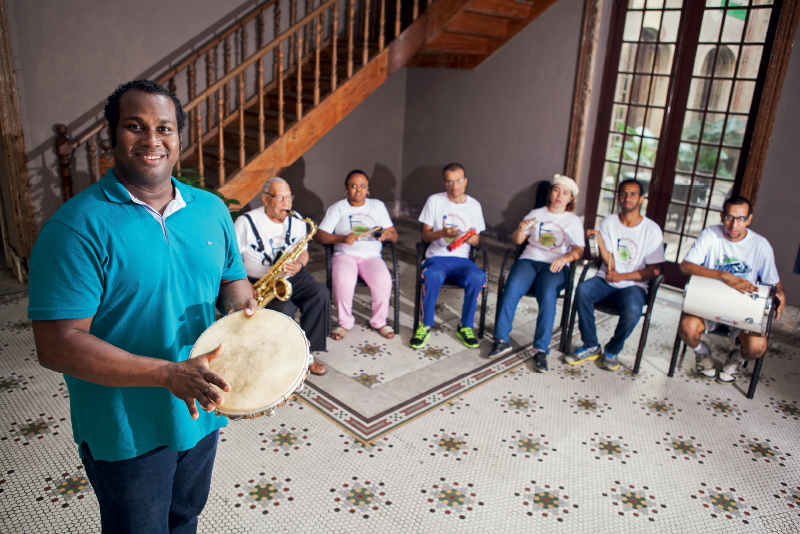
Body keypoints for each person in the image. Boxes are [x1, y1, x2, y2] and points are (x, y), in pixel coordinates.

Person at [28, 80, 257, 533]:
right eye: (135, 126)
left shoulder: (210, 210)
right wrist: (168, 374)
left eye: (164, 127)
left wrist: (250, 313)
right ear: (111, 135)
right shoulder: (76, 227)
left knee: (185, 517)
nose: (152, 140)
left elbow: (233, 282)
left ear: (178, 137)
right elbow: (56, 345)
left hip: (203, 413)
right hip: (128, 429)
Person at [677, 196, 786, 384]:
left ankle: (737, 359)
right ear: (721, 216)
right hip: (708, 304)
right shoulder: (710, 235)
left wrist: (779, 292)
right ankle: (702, 353)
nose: (734, 225)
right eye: (729, 217)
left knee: (757, 347)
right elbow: (686, 266)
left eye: (741, 219)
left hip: (743, 310)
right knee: (687, 328)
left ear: (749, 219)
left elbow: (774, 283)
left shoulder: (761, 245)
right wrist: (724, 276)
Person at [565, 179, 665, 371]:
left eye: (633, 194)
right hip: (606, 278)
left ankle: (612, 349)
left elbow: (654, 271)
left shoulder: (651, 230)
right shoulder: (609, 222)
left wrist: (623, 277)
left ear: (641, 199)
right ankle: (591, 345)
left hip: (634, 285)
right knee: (583, 290)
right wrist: (600, 242)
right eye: (624, 194)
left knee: (633, 310)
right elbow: (608, 261)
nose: (627, 198)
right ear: (619, 197)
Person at [489, 174, 585, 372]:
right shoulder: (536, 213)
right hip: (530, 260)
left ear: (570, 199)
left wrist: (565, 258)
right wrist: (521, 230)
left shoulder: (572, 220)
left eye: (565, 193)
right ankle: (501, 338)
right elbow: (517, 240)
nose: (559, 195)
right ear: (550, 193)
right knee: (512, 288)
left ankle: (541, 349)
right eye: (556, 190)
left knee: (548, 294)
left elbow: (579, 250)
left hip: (555, 265)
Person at [234, 176, 328, 375]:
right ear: (265, 199)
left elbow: (303, 251)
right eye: (280, 198)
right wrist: (246, 286)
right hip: (258, 281)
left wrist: (300, 265)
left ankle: (307, 353)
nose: (287, 203)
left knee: (319, 293)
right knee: (285, 308)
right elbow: (233, 260)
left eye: (289, 197)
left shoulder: (297, 220)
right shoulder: (246, 222)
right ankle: (281, 358)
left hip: (291, 274)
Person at [316, 170, 399, 339]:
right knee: (343, 280)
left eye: (362, 186)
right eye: (353, 186)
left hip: (372, 257)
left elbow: (394, 235)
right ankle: (344, 323)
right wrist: (342, 238)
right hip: (345, 255)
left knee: (383, 280)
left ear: (368, 188)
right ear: (346, 188)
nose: (358, 190)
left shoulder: (377, 206)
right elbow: (320, 236)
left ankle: (379, 321)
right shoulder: (338, 208)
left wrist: (386, 235)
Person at [411, 163, 486, 349]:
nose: (455, 186)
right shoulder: (434, 201)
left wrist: (474, 240)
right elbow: (425, 235)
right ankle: (425, 324)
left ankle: (465, 326)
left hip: (462, 260)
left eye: (459, 181)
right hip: (436, 257)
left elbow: (477, 241)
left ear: (465, 181)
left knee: (478, 276)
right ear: (444, 184)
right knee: (433, 275)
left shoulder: (474, 206)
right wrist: (443, 233)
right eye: (450, 182)